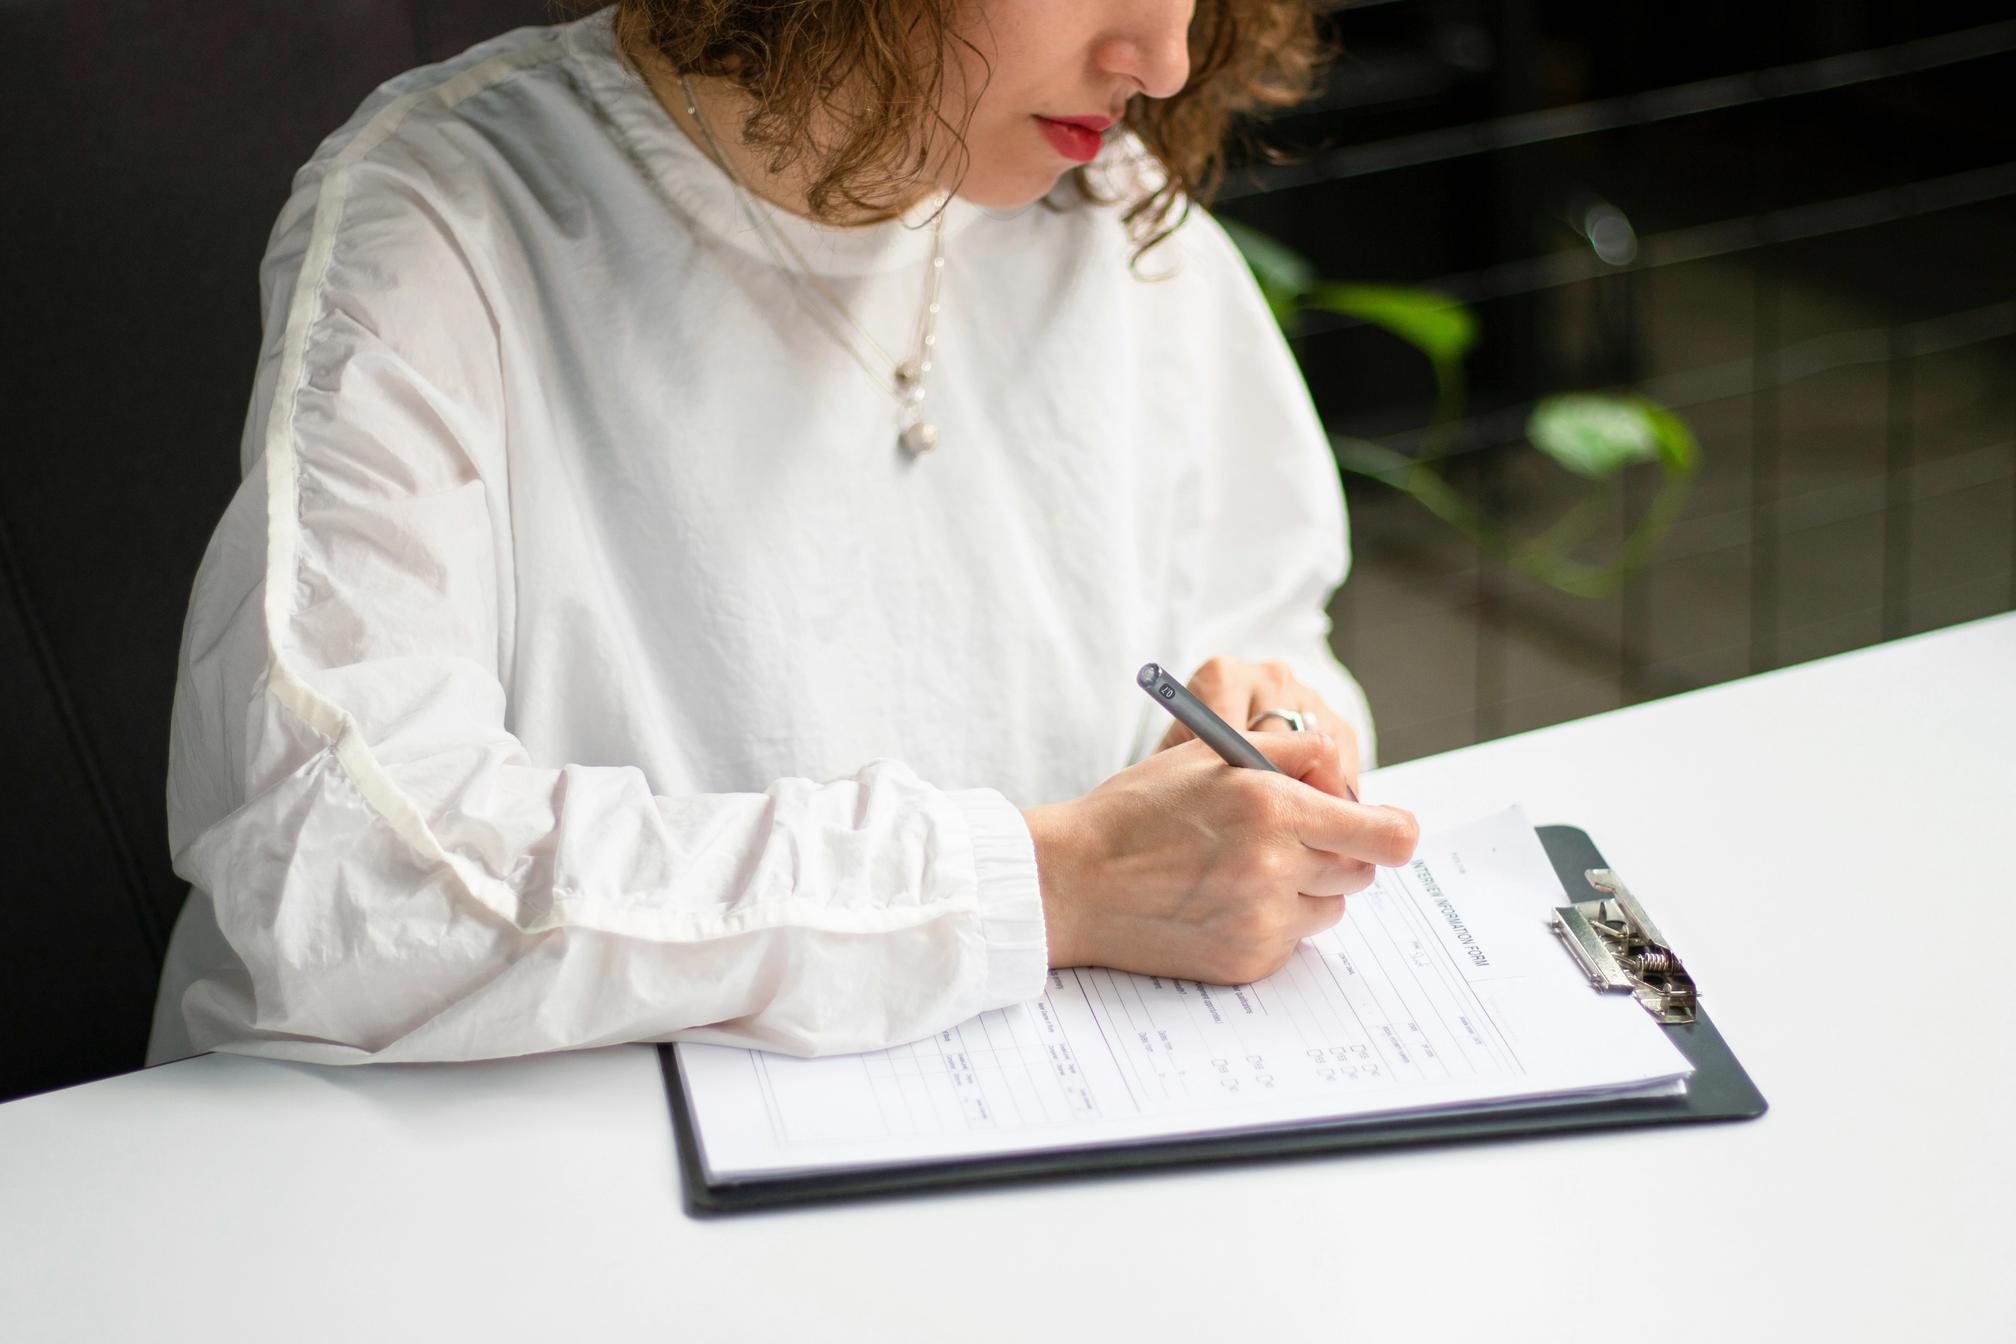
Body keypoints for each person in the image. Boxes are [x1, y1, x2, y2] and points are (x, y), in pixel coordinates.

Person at [147, 0, 1420, 1068]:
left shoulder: (1112, 210)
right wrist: (1047, 882)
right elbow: (342, 871)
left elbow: (1268, 607)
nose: (1165, 59)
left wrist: (1274, 742)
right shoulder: (455, 216)